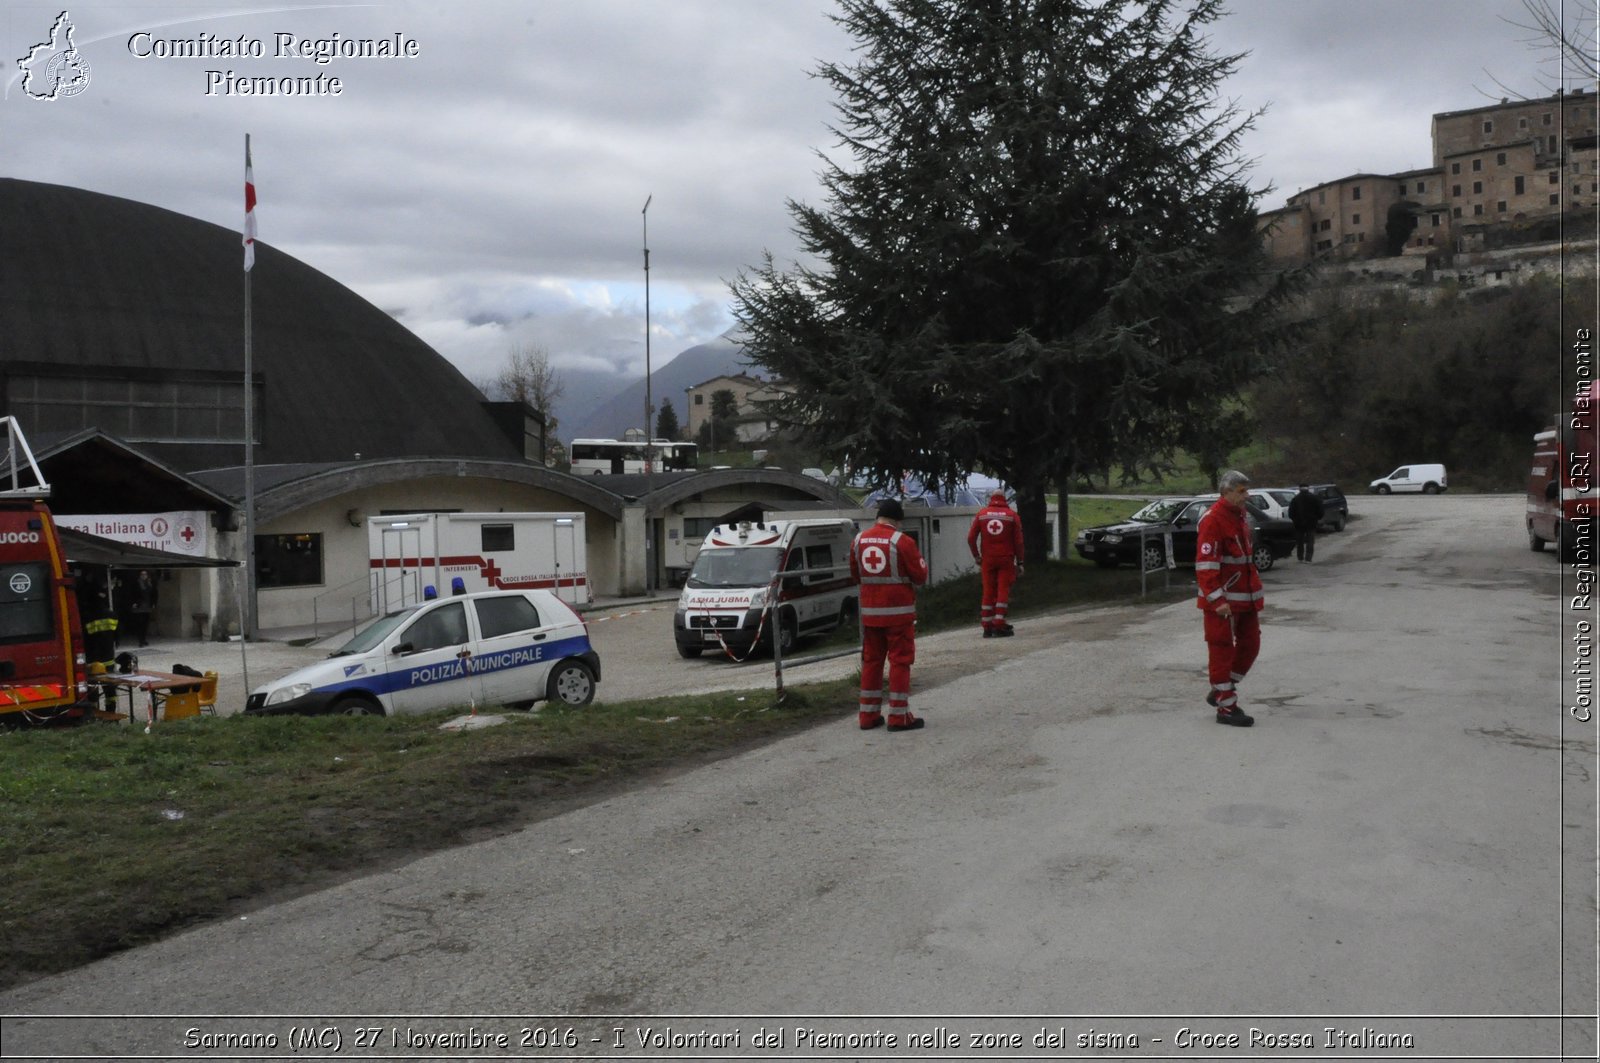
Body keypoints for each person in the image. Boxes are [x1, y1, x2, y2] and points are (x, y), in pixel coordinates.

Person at [850, 497, 929, 732]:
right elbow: (920, 576)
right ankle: (898, 716)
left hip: (870, 614)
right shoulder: (901, 541)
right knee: (900, 661)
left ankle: (868, 715)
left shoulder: (858, 540)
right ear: (897, 520)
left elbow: (855, 575)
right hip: (898, 614)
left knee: (872, 662)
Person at [1196, 470, 1265, 727]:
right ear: (1226, 492)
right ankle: (1226, 707)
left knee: (1251, 645)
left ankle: (1223, 689)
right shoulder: (1213, 520)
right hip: (1222, 602)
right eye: (1241, 491)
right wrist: (1217, 600)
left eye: (1246, 490)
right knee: (1221, 650)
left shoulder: (1240, 516)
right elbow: (1206, 565)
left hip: (1245, 598)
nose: (1246, 496)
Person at [967, 489, 1024, 637]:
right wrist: (1020, 561)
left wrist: (976, 556)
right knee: (1002, 590)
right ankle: (999, 623)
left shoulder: (982, 514)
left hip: (988, 559)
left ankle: (987, 626)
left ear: (991, 498)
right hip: (1006, 558)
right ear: (1004, 499)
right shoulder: (1012, 516)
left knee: (988, 590)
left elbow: (971, 538)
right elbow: (1018, 542)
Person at [1287, 483, 1325, 563]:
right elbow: (1321, 511)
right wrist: (1317, 518)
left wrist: (1295, 519)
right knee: (1310, 541)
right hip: (1311, 523)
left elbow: (1290, 513)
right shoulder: (1314, 498)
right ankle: (1308, 558)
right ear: (1308, 488)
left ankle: (1300, 558)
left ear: (1299, 489)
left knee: (1300, 541)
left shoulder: (1295, 499)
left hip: (1299, 524)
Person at [127, 569, 157, 646]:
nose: (144, 576)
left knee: (146, 623)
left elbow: (154, 594)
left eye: (145, 574)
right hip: (139, 606)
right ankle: (140, 640)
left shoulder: (150, 583)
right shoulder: (136, 583)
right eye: (142, 574)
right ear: (140, 575)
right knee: (140, 623)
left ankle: (144, 639)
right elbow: (131, 593)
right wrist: (133, 602)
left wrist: (153, 603)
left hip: (147, 606)